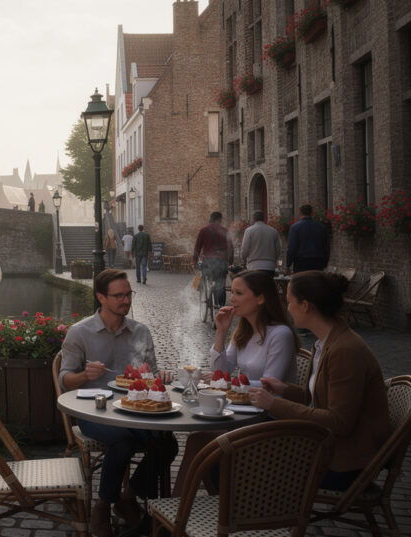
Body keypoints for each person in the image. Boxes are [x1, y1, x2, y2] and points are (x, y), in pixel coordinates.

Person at [59, 269, 177, 537]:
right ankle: (103, 504)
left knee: (166, 443)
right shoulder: (80, 333)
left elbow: (152, 375)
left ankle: (129, 496)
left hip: (134, 409)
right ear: (101, 297)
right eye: (119, 296)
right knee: (122, 440)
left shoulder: (140, 331)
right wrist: (85, 375)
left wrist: (161, 377)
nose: (126, 300)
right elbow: (64, 380)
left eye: (128, 294)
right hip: (95, 412)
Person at [250, 271, 388, 491]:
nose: (288, 308)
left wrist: (273, 403)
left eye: (289, 302)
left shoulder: (345, 350)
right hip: (322, 446)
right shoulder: (327, 342)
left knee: (231, 460)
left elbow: (339, 422)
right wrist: (284, 389)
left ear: (305, 306)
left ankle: (256, 517)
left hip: (341, 463)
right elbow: (317, 400)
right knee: (231, 442)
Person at [174, 269, 298, 495]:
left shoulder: (280, 334)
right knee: (198, 438)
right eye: (232, 292)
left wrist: (229, 383)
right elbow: (220, 371)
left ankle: (180, 508)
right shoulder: (244, 330)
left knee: (199, 440)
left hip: (272, 418)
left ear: (261, 298)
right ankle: (208, 503)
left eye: (239, 293)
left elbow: (272, 384)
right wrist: (221, 331)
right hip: (245, 411)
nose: (232, 299)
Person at [193, 211, 233, 307]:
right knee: (221, 284)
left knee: (202, 276)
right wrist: (230, 262)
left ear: (210, 219)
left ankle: (205, 294)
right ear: (219, 219)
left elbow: (197, 248)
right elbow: (231, 248)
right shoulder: (225, 230)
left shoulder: (203, 230)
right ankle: (221, 306)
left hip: (208, 261)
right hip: (222, 261)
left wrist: (195, 262)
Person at [286, 204, 330, 274]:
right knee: (316, 282)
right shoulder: (321, 227)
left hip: (301, 262)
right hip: (317, 261)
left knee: (302, 283)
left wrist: (288, 264)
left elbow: (292, 248)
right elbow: (326, 247)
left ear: (299, 213)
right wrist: (325, 262)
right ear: (312, 213)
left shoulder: (295, 228)